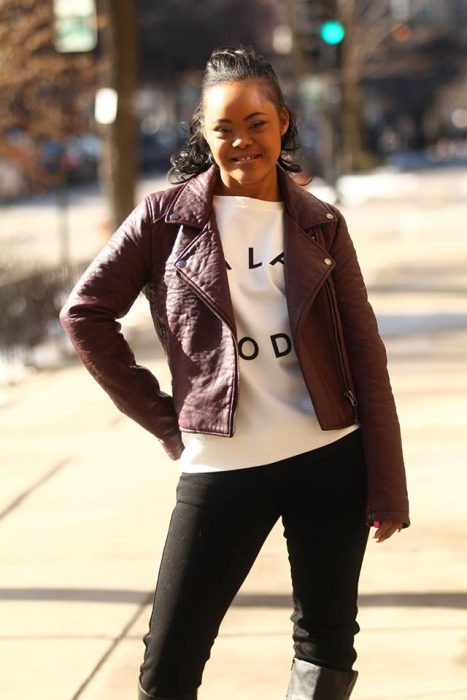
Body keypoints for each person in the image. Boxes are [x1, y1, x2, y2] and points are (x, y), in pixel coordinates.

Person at [60, 45, 410, 700]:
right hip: (222, 466)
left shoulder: (320, 225)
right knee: (168, 663)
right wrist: (168, 422)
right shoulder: (162, 221)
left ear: (281, 123)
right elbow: (85, 315)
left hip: (329, 457)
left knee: (326, 647)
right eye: (224, 127)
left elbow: (365, 354)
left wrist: (386, 485)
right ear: (203, 131)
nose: (241, 140)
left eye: (256, 123)